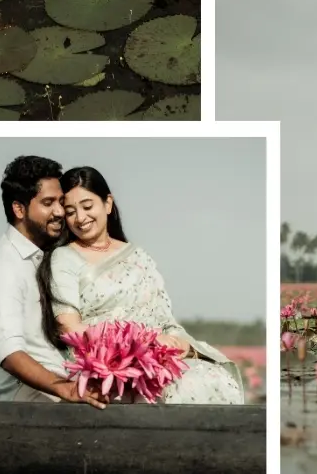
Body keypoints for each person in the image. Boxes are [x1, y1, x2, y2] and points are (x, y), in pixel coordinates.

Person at [43, 167, 247, 403]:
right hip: (105, 365)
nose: (80, 218)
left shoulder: (138, 256)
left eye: (88, 206)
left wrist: (180, 346)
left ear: (108, 204)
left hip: (157, 358)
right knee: (178, 389)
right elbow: (69, 327)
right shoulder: (64, 258)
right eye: (71, 212)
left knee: (211, 378)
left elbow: (164, 320)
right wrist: (138, 345)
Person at [0, 155, 106, 406]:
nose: (60, 212)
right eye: (48, 203)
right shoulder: (3, 266)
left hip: (55, 395)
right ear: (19, 209)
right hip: (24, 404)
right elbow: (11, 355)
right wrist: (67, 390)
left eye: (60, 202)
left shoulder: (46, 257)